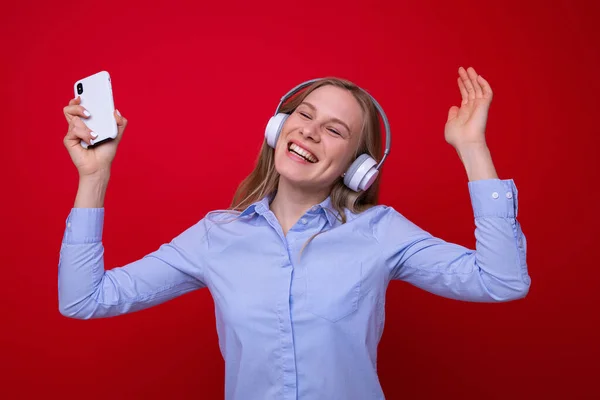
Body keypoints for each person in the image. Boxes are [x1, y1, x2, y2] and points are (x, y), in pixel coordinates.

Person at [58, 67, 530, 400]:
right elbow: (85, 299)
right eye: (304, 115)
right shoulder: (215, 236)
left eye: (335, 130)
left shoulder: (381, 233)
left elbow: (502, 281)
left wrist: (472, 149)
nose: (309, 133)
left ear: (358, 167)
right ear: (278, 128)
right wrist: (94, 177)